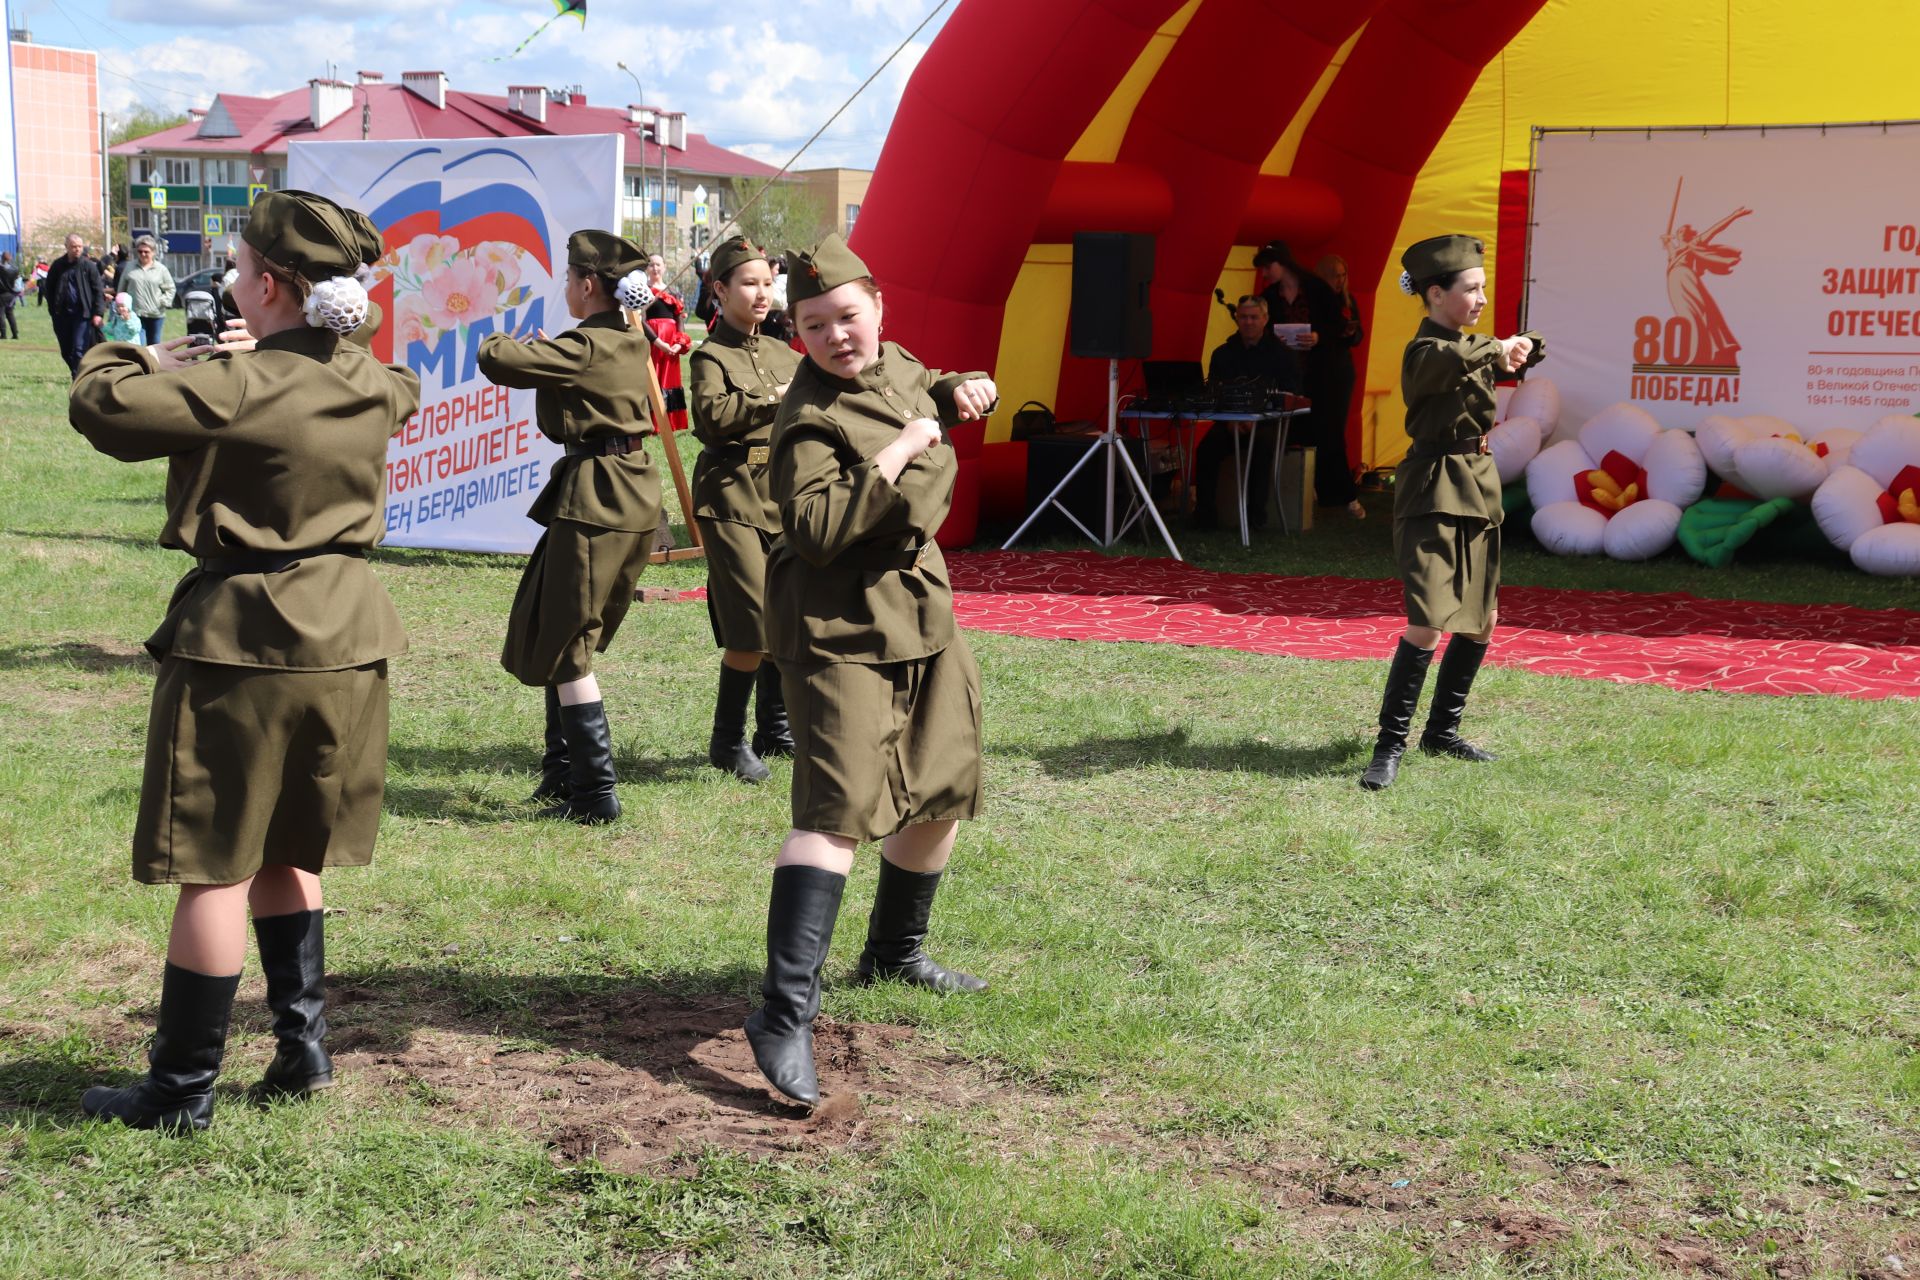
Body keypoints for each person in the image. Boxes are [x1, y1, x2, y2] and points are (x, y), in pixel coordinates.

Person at [67, 190, 421, 1130]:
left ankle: (180, 1091)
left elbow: (99, 407)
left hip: (247, 638)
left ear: (270, 284)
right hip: (348, 638)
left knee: (213, 866)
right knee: (290, 850)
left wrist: (146, 351)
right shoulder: (376, 381)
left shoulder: (241, 383)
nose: (229, 282)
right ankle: (302, 1053)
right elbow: (376, 385)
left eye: (237, 270)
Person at [744, 233, 998, 1109]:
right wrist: (904, 452)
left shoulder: (896, 364)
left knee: (942, 787)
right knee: (837, 808)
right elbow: (814, 530)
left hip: (919, 609)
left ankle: (894, 951)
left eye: (848, 317)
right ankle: (783, 1013)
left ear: (878, 310)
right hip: (837, 623)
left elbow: (927, 388)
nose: (837, 337)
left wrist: (959, 390)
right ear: (797, 333)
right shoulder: (807, 415)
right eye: (814, 325)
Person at [475, 230, 660, 825]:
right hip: (626, 491)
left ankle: (594, 794)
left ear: (587, 285)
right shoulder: (631, 338)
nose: (566, 288)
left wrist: (512, 336)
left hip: (595, 497)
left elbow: (496, 360)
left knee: (569, 640)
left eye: (569, 279)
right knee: (557, 625)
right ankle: (563, 778)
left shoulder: (585, 343)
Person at [1359, 235, 1543, 792]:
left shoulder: (1469, 342)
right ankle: (1388, 746)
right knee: (1427, 619)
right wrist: (1501, 346)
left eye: (1485, 287)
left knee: (1482, 617)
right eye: (1472, 289)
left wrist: (1523, 345)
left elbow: (1518, 348)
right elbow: (1457, 357)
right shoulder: (1426, 351)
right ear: (1436, 295)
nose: (1483, 297)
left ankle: (1442, 732)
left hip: (1477, 485)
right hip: (1433, 487)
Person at [687, 235, 800, 784]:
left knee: (784, 607)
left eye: (766, 283)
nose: (762, 293)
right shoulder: (709, 355)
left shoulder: (786, 353)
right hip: (729, 492)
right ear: (720, 289)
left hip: (780, 491)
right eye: (749, 284)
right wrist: (777, 399)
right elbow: (712, 417)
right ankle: (726, 741)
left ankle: (774, 730)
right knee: (750, 622)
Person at [1256, 241, 1364, 521]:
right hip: (1292, 374)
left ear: (1283, 263)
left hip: (1327, 372)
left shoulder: (1316, 289)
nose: (1265, 273)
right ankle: (1303, 493)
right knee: (1296, 430)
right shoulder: (1269, 295)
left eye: (1268, 267)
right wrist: (1273, 339)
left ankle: (1343, 497)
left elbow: (1340, 328)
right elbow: (1262, 330)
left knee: (1329, 431)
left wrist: (1318, 337)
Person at [1191, 294, 1300, 528]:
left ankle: (1254, 518)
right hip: (1229, 423)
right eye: (1243, 317)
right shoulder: (1223, 354)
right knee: (1206, 450)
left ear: (1265, 319)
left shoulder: (1283, 355)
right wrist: (1230, 421)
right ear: (1237, 319)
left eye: (1253, 317)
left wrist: (1257, 420)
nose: (1248, 322)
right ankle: (1205, 516)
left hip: (1269, 424)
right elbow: (1214, 393)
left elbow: (1290, 395)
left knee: (1261, 448)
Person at [1316, 251, 1367, 488]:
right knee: (1319, 425)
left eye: (1342, 275)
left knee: (1338, 424)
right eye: (1334, 276)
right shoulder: (1314, 300)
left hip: (1341, 369)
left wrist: (1350, 333)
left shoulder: (1348, 300)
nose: (1339, 280)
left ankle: (1334, 481)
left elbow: (1359, 336)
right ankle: (1318, 479)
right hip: (1318, 369)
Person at [641, 252, 692, 434]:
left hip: (671, 343)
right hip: (653, 341)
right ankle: (651, 423)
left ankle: (669, 422)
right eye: (651, 265)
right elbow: (641, 320)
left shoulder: (673, 292)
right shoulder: (643, 291)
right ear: (647, 268)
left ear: (664, 267)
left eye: (658, 264)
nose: (655, 268)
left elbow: (680, 321)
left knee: (669, 381)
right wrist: (657, 342)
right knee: (653, 380)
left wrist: (679, 343)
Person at [45, 234, 105, 376]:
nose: (77, 249)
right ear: (66, 247)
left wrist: (98, 313)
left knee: (79, 349)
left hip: (82, 315)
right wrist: (53, 310)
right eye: (73, 247)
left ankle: (78, 378)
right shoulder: (58, 266)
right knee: (66, 351)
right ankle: (77, 372)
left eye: (79, 246)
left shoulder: (88, 266)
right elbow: (49, 288)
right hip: (62, 315)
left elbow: (98, 290)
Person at [118, 236, 177, 345]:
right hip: (135, 314)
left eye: (146, 252)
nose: (143, 254)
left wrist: (163, 301)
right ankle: (140, 363)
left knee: (154, 346)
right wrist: (120, 305)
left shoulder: (161, 269)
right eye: (140, 251)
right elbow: (122, 289)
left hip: (155, 315)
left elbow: (170, 288)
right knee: (138, 345)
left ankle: (153, 362)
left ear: (153, 252)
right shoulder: (130, 267)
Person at [0, 252, 20, 339]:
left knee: (1, 315)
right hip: (11, 294)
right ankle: (15, 334)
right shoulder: (15, 269)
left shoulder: (1, 269)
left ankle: (3, 334)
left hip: (2, 294)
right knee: (10, 314)